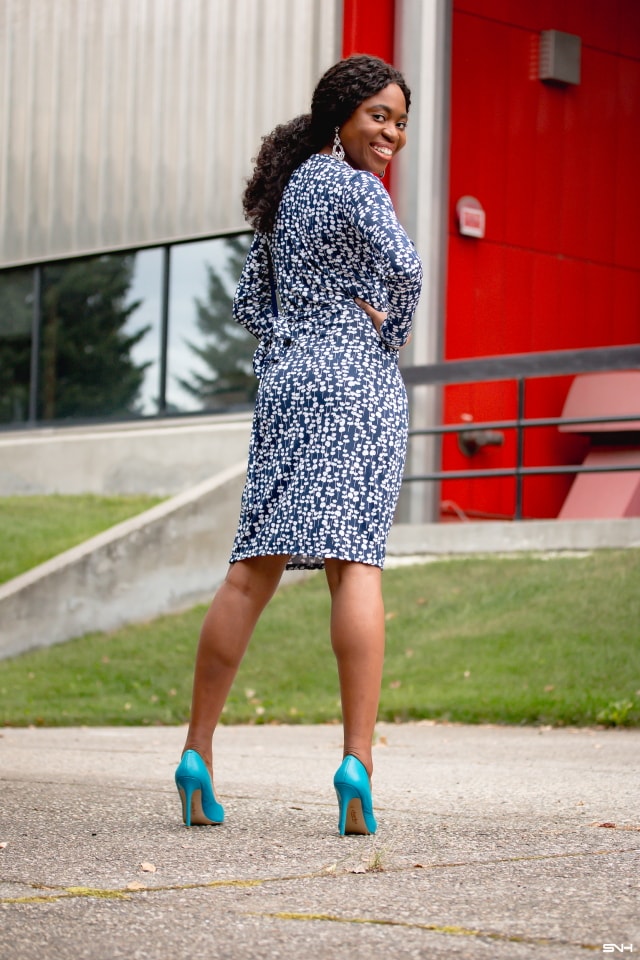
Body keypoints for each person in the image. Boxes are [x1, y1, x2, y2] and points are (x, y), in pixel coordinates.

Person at [175, 54, 422, 836]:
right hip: (356, 381)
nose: (392, 133)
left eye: (401, 122)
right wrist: (388, 330)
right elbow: (408, 271)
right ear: (342, 111)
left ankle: (196, 755)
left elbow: (252, 300)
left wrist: (294, 342)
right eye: (380, 116)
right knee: (356, 563)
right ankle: (357, 763)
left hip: (288, 386)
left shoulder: (286, 192)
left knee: (251, 571)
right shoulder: (354, 187)